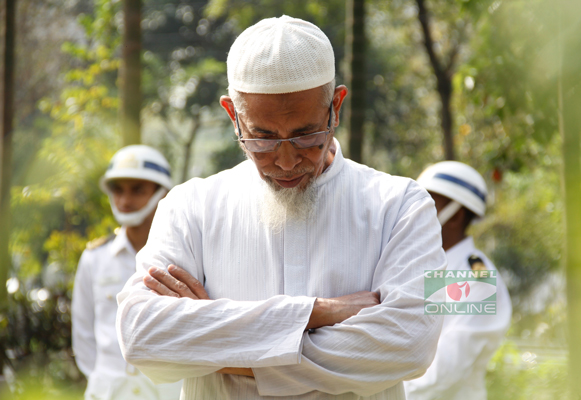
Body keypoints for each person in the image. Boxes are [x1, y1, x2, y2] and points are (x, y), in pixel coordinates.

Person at [116, 16, 446, 400]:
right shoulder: (191, 208)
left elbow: (410, 345)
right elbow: (142, 336)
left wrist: (214, 345)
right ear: (233, 116)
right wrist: (317, 313)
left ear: (336, 107)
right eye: (263, 139)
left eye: (307, 136)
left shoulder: (400, 207)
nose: (286, 161)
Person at [71, 145, 183, 400]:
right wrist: (103, 379)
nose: (125, 200)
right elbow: (83, 335)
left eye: (138, 190)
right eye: (118, 190)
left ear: (162, 193)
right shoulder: (94, 258)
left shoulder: (183, 256)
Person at [404, 161, 512, 400]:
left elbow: (443, 372)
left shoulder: (476, 279)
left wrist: (382, 391)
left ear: (455, 216)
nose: (415, 213)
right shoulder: (426, 266)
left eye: (427, 204)